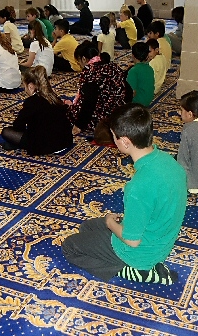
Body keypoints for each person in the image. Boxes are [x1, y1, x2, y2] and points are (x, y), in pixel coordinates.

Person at [62, 103, 187, 284]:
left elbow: (132, 241)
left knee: (70, 247)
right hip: (162, 239)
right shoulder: (168, 161)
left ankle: (135, 271)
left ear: (125, 142)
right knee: (87, 228)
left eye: (114, 136)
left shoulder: (138, 187)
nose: (113, 139)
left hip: (140, 252)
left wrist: (111, 223)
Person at [0, 66, 73, 155]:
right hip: (65, 140)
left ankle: (16, 145)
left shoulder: (31, 102)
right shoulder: (53, 96)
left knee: (6, 132)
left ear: (30, 86)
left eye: (25, 86)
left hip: (47, 145)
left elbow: (18, 125)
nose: (25, 89)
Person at [66, 42, 131, 136]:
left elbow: (89, 102)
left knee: (64, 110)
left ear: (84, 59)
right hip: (117, 115)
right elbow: (127, 90)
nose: (79, 65)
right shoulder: (113, 66)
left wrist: (79, 125)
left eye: (78, 62)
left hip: (101, 120)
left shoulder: (90, 72)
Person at [127, 42, 155, 107]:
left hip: (137, 103)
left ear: (133, 55)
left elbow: (131, 92)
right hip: (147, 100)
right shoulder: (149, 68)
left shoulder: (133, 71)